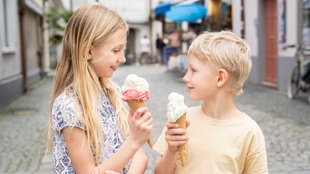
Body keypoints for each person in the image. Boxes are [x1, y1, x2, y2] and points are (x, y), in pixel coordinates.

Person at [47, 3, 153, 174]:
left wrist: (135, 141)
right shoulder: (69, 107)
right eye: (116, 50)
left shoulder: (114, 92)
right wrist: (134, 140)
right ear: (88, 51)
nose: (123, 58)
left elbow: (141, 157)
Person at [154, 31, 268, 174]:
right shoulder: (182, 121)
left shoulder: (250, 132)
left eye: (193, 70)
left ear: (220, 78)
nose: (185, 77)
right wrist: (171, 151)